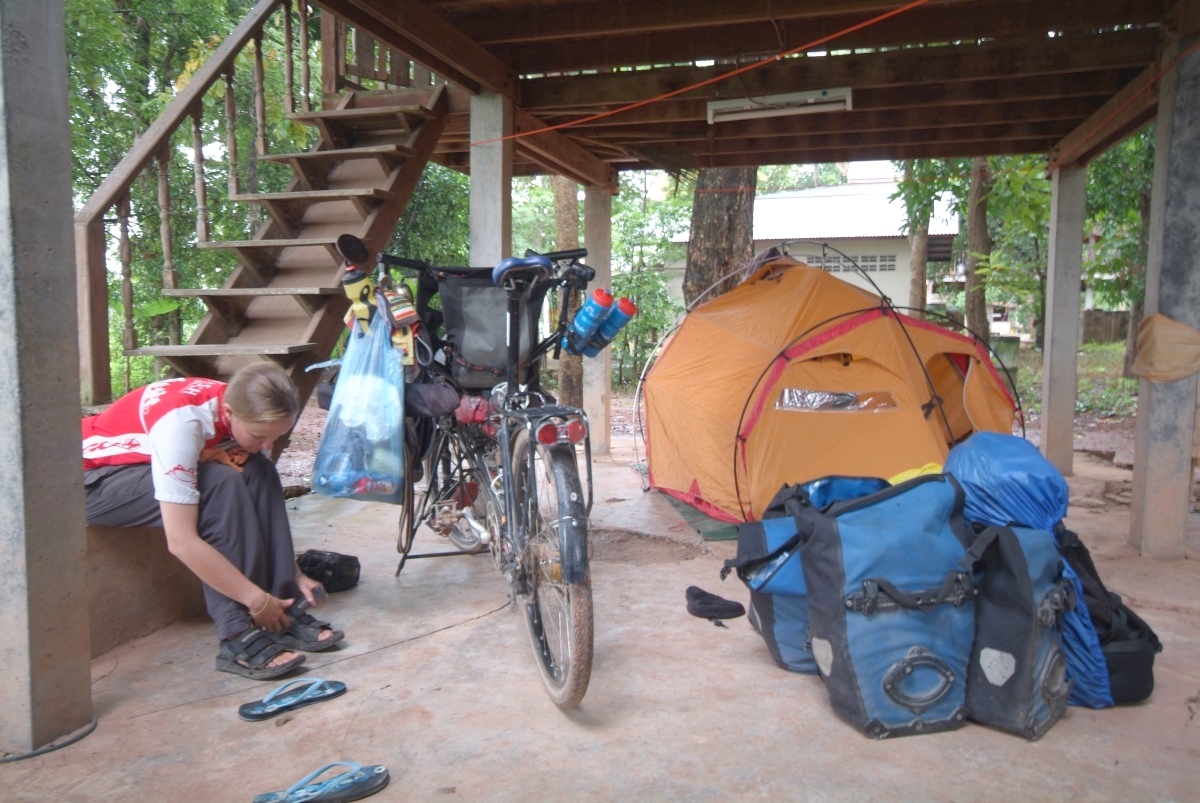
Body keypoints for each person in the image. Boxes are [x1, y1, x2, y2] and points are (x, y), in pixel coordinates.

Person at [82, 362, 343, 680]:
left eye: (275, 438)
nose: (267, 445)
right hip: (87, 482)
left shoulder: (239, 403)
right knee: (221, 484)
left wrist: (293, 570)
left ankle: (283, 601)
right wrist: (253, 599)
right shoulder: (182, 425)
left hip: (137, 464)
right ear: (230, 412)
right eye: (260, 436)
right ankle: (237, 634)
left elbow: (255, 465)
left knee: (260, 470)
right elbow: (181, 541)